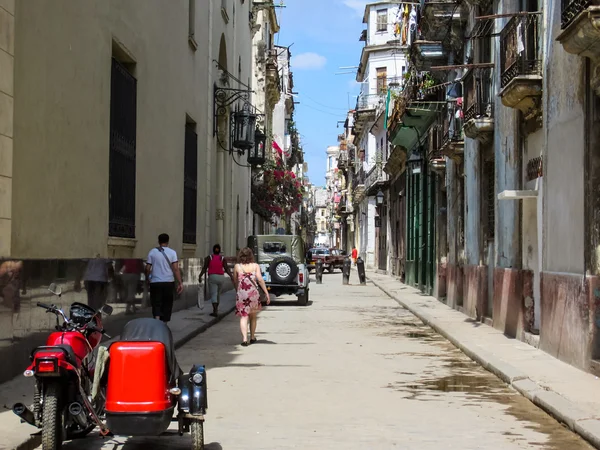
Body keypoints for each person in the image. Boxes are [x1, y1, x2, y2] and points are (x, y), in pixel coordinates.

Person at [233, 247, 269, 347]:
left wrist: (238, 291)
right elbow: (260, 280)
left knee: (244, 317)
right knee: (253, 316)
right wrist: (266, 292)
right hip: (253, 294)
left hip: (242, 294)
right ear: (251, 255)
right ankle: (252, 337)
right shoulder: (255, 266)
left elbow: (235, 281)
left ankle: (244, 339)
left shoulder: (237, 266)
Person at [145, 233, 183, 323]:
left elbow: (147, 268)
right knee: (167, 303)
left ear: (158, 241)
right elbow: (176, 269)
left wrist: (148, 278)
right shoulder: (172, 253)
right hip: (168, 282)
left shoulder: (152, 252)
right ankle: (164, 324)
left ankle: (157, 321)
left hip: (155, 282)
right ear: (168, 241)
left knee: (156, 303)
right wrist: (180, 282)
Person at [198, 244, 233, 317]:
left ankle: (215, 310)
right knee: (218, 294)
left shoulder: (209, 257)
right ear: (220, 251)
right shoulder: (222, 258)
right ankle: (216, 309)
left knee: (213, 294)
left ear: (213, 250)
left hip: (212, 277)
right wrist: (231, 276)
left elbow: (204, 268)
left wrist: (200, 276)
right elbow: (226, 268)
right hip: (221, 277)